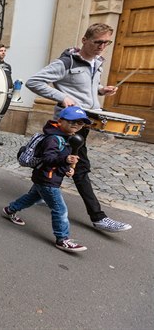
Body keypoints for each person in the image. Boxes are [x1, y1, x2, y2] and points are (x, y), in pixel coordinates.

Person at [26, 23, 132, 233]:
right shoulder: (67, 62)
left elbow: (84, 89)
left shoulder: (97, 63)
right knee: (80, 168)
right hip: (67, 125)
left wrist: (101, 91)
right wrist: (61, 97)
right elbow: (34, 81)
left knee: (55, 161)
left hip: (83, 122)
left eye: (106, 42)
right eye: (97, 42)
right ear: (84, 40)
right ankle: (98, 217)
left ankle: (35, 195)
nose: (102, 46)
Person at [3, 106, 90, 252]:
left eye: (80, 123)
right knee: (60, 209)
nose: (76, 125)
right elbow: (48, 159)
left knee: (32, 198)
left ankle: (10, 209)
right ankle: (62, 239)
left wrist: (67, 168)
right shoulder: (53, 139)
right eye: (72, 122)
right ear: (61, 121)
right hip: (47, 179)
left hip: (47, 177)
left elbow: (58, 161)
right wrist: (65, 160)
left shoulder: (67, 137)